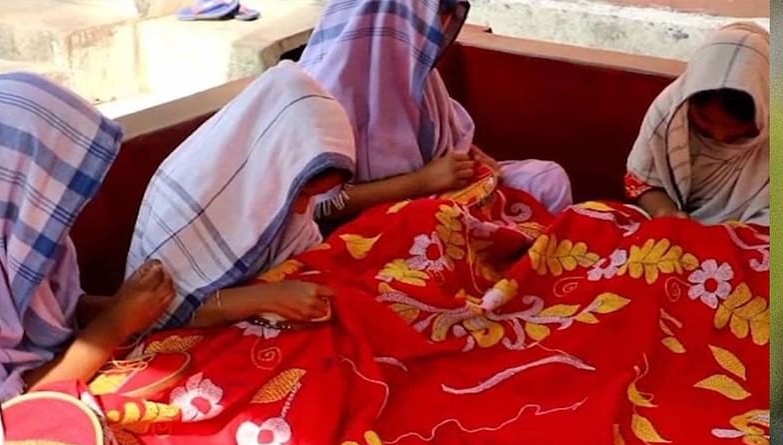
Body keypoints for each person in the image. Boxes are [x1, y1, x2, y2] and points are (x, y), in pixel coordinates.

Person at [0, 73, 175, 402]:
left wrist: (132, 302)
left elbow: (64, 309)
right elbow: (11, 407)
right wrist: (117, 322)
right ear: (16, 185)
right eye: (57, 185)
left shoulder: (24, 237)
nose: (74, 203)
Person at [125, 61, 357, 329]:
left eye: (314, 196)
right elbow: (156, 310)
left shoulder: (276, 180)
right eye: (301, 194)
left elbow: (302, 253)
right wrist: (262, 297)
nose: (301, 209)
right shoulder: (193, 195)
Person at [298, 0, 573, 222]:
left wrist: (474, 158)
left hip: (444, 193)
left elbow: (442, 138)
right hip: (385, 221)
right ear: (392, 22)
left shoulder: (411, 69)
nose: (439, 29)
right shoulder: (322, 100)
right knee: (432, 218)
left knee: (547, 179)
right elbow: (318, 206)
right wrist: (420, 182)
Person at [625, 22, 769, 225]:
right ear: (688, 103)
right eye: (705, 124)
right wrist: (665, 212)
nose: (718, 137)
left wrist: (731, 237)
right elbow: (643, 182)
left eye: (736, 134)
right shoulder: (669, 113)